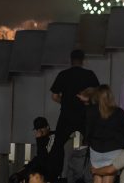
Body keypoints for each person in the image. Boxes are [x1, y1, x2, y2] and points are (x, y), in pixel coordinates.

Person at [48, 49, 100, 181]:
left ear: (71, 60)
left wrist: (65, 102)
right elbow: (97, 95)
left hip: (66, 115)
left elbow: (54, 96)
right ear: (83, 60)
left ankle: (54, 175)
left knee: (58, 145)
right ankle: (92, 173)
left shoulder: (63, 74)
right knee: (93, 143)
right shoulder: (89, 75)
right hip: (85, 115)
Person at [86, 85, 124, 183]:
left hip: (96, 151)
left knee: (97, 176)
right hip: (114, 151)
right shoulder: (119, 112)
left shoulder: (90, 112)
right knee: (108, 176)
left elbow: (87, 132)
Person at [9, 117, 53, 183]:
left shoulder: (52, 138)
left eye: (40, 130)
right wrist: (21, 172)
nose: (39, 133)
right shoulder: (44, 139)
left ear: (47, 127)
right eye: (37, 130)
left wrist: (39, 140)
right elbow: (38, 159)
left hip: (50, 174)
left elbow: (43, 159)